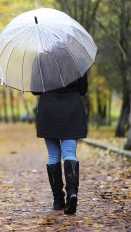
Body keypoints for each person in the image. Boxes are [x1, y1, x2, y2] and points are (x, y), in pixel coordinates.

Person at [32, 70, 88, 215]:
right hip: (72, 108)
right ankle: (72, 193)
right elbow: (83, 89)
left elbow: (35, 90)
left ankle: (58, 199)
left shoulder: (41, 59)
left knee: (53, 156)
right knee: (69, 153)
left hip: (49, 109)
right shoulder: (76, 59)